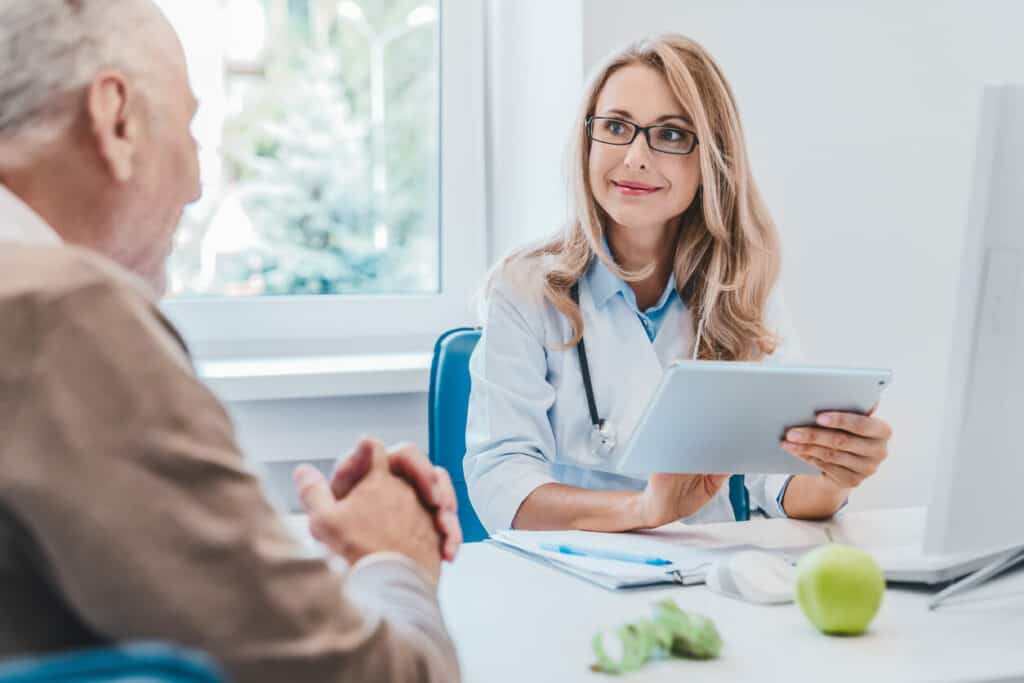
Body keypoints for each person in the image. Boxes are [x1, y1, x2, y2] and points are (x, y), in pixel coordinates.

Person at [0, 2, 461, 681]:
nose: (195, 183)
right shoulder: (64, 314)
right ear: (115, 118)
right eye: (188, 128)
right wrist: (393, 556)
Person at [464, 34, 893, 534]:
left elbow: (778, 483)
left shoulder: (742, 288)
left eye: (670, 135)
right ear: (587, 141)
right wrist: (642, 511)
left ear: (713, 160)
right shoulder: (525, 290)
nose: (635, 158)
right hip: (569, 574)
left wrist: (833, 471)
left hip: (707, 579)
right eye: (616, 127)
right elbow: (502, 484)